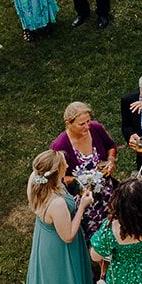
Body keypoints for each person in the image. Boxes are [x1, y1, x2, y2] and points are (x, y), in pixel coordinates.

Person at [24, 149, 100, 284]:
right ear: (56, 172)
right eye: (64, 164)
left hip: (44, 241)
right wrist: (82, 207)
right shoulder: (56, 203)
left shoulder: (35, 180)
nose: (67, 165)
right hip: (60, 249)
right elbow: (67, 236)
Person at [51, 101, 117, 236]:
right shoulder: (60, 145)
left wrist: (110, 160)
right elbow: (58, 177)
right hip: (84, 197)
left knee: (114, 221)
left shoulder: (96, 128)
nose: (87, 126)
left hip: (106, 189)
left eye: (88, 121)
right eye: (82, 124)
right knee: (91, 231)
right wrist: (79, 180)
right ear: (68, 124)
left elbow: (111, 146)